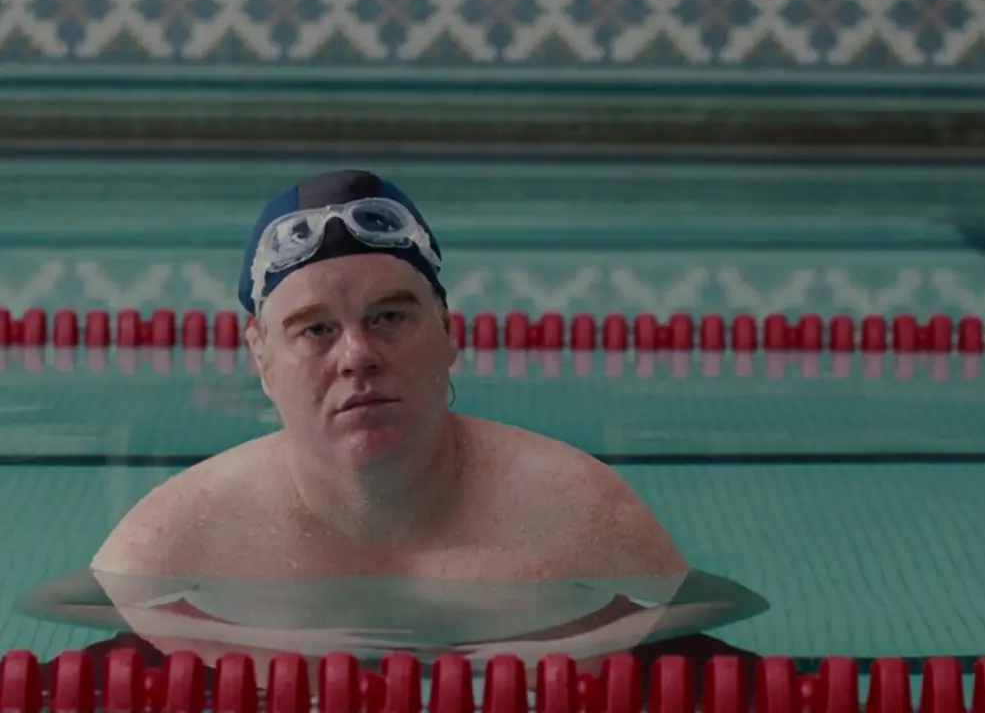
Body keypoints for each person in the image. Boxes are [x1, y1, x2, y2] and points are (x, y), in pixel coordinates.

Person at [77, 169, 760, 688]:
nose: (358, 356)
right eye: (315, 330)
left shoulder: (584, 521)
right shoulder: (169, 548)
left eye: (390, 317)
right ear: (262, 359)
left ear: (448, 332)